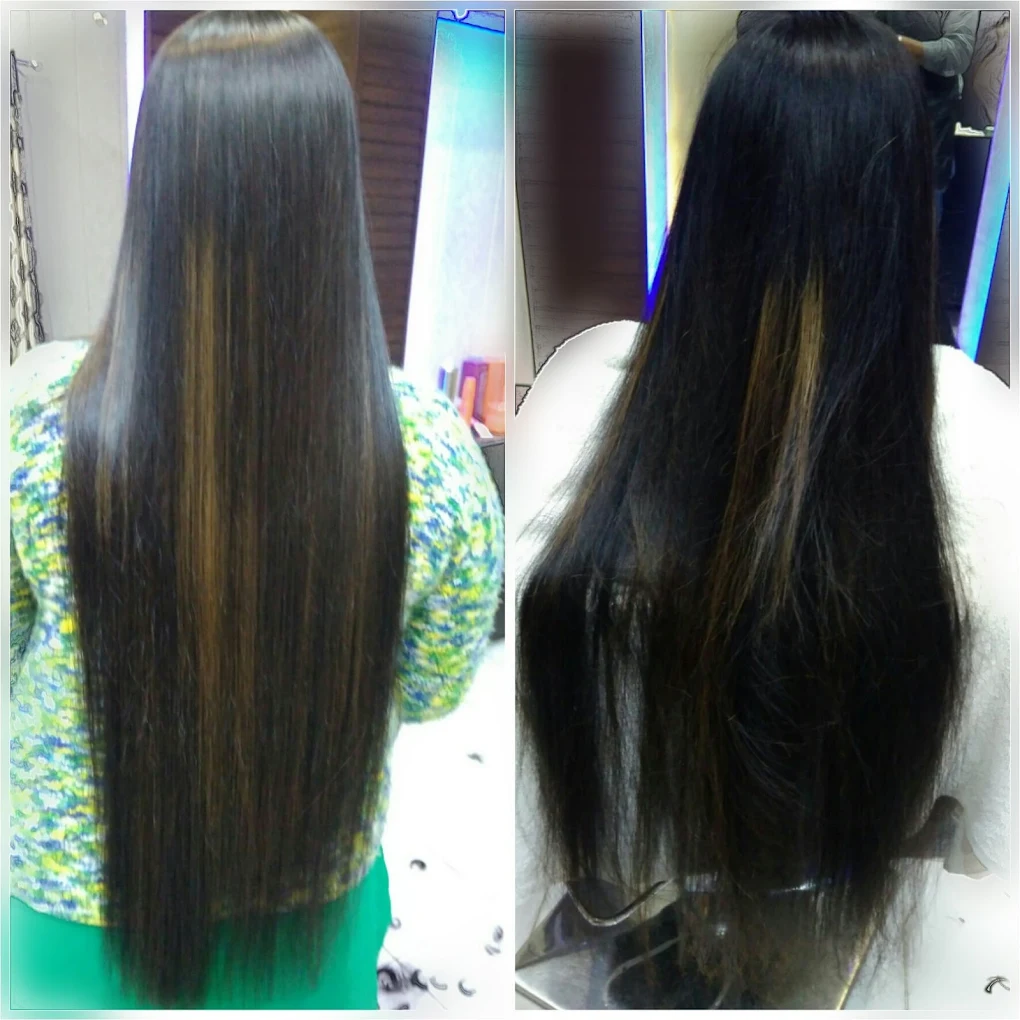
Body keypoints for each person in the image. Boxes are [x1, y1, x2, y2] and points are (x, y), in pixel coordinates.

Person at [10, 12, 504, 1010]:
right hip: (306, 911)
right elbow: (434, 686)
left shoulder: (38, 431)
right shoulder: (434, 457)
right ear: (333, 195)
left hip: (73, 920)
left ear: (157, 189)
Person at [516, 12, 1012, 1007]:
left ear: (707, 192)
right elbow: (984, 831)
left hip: (634, 917)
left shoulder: (573, 398)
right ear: (904, 213)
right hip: (836, 925)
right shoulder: (988, 440)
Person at [875, 11, 979, 224]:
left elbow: (959, 51)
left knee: (928, 193)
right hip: (882, 99)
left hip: (934, 107)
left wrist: (904, 47)